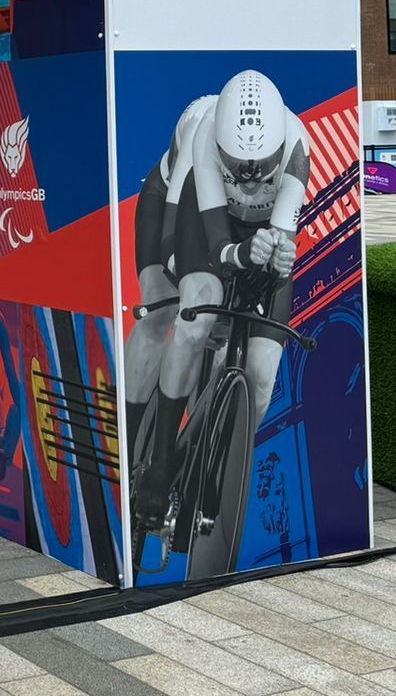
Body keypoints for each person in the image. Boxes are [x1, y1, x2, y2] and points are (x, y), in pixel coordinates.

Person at [124, 71, 305, 552]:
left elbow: (282, 240)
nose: (249, 177)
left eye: (259, 165)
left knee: (263, 369)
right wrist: (236, 260)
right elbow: (204, 239)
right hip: (183, 208)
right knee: (183, 313)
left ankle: (217, 456)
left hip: (258, 230)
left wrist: (279, 252)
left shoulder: (296, 144)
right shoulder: (205, 136)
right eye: (238, 165)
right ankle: (153, 456)